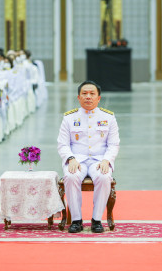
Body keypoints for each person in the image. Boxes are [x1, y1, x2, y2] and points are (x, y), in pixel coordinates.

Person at [57, 80, 120, 233]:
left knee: (104, 177)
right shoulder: (69, 118)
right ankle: (76, 220)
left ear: (99, 98)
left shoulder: (109, 117)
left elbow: (114, 144)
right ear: (78, 97)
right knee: (71, 177)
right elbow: (62, 144)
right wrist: (70, 159)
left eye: (92, 94)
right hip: (77, 160)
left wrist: (107, 160)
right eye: (84, 94)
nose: (88, 97)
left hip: (99, 160)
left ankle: (96, 220)